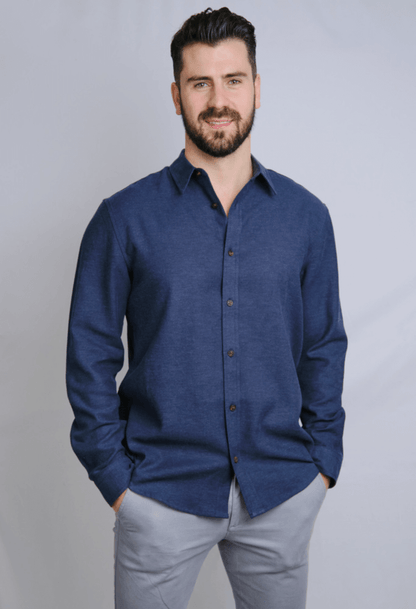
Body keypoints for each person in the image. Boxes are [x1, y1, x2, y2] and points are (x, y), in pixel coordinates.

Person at [66, 7, 347, 609]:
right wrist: (117, 482)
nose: (219, 100)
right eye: (200, 83)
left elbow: (324, 345)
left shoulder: (306, 218)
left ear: (257, 88)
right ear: (177, 95)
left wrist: (323, 461)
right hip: (159, 495)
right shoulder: (123, 219)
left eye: (233, 80)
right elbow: (89, 353)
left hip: (281, 492)